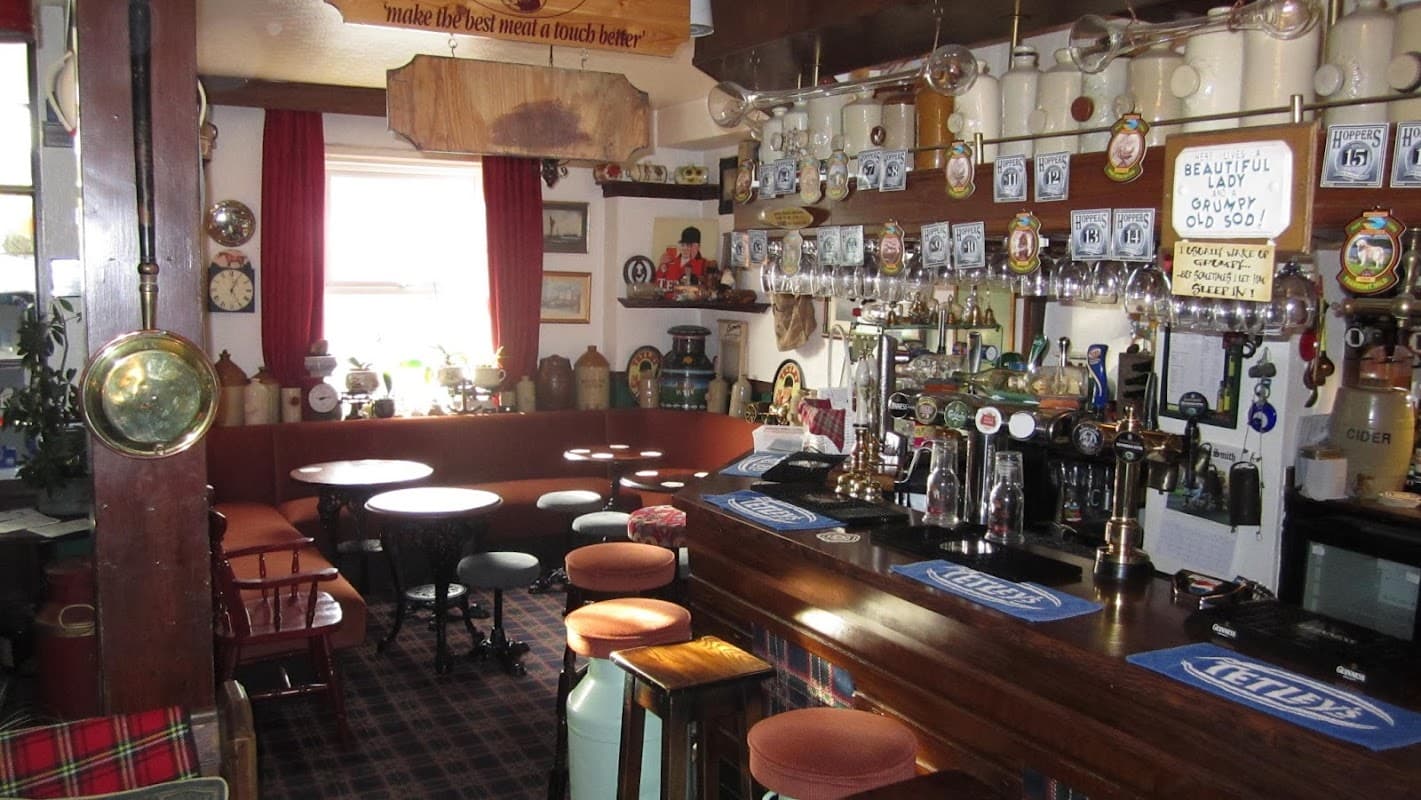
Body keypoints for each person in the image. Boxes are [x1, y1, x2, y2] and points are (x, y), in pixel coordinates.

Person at [656, 226, 709, 291]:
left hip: (690, 300)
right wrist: (662, 267)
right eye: (686, 244)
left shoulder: (704, 264)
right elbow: (657, 285)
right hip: (666, 300)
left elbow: (709, 289)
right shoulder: (669, 261)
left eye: (692, 245)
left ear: (698, 247)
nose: (689, 248)